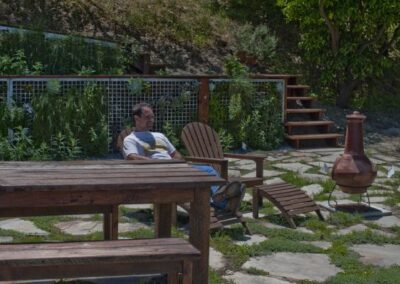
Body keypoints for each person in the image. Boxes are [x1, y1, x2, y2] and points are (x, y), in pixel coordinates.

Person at [123, 102, 242, 209]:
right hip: (157, 172)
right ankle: (226, 199)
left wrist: (176, 163)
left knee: (207, 169)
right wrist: (160, 163)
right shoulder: (131, 139)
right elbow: (132, 157)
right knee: (203, 175)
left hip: (175, 167)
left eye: (152, 117)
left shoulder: (159, 135)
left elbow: (176, 154)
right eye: (147, 117)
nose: (151, 120)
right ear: (136, 118)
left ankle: (220, 198)